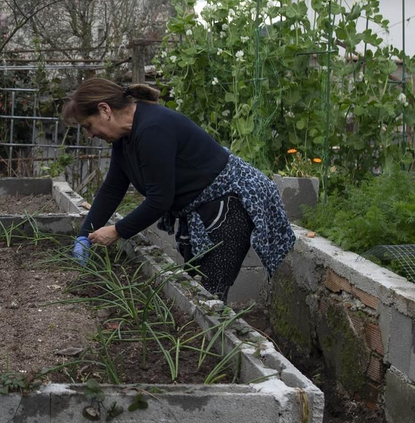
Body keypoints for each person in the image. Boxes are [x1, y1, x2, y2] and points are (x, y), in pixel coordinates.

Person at [62, 78, 294, 302]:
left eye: (88, 126)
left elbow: (159, 200)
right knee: (196, 289)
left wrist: (117, 231)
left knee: (209, 294)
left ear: (105, 110)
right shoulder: (124, 138)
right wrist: (85, 234)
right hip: (202, 205)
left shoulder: (152, 129)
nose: (90, 135)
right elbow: (113, 188)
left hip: (231, 201)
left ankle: (219, 340)